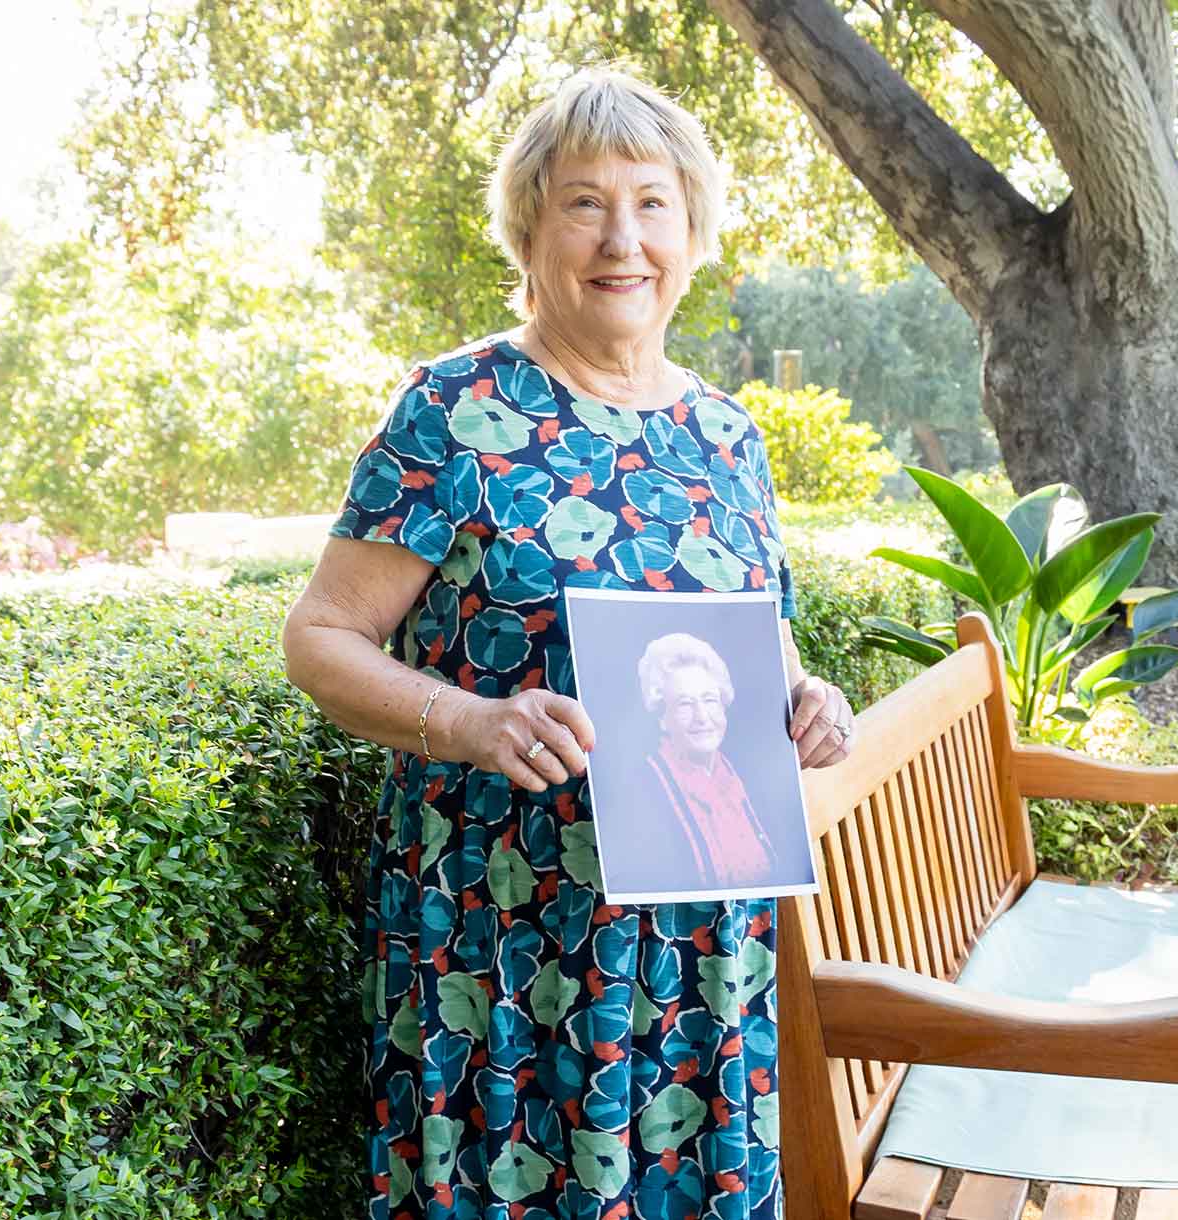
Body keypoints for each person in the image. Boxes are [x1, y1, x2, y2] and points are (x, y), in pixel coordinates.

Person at [282, 65, 858, 1220]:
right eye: (584, 202)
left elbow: (762, 637)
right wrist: (474, 719)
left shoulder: (727, 436)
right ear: (531, 230)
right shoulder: (453, 410)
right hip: (500, 948)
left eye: (652, 202)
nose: (622, 238)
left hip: (701, 954)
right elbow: (321, 636)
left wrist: (808, 696)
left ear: (691, 231)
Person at [627, 632, 778, 893]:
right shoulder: (646, 786)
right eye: (685, 704)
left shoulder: (739, 776)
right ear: (663, 718)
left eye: (710, 700)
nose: (702, 717)